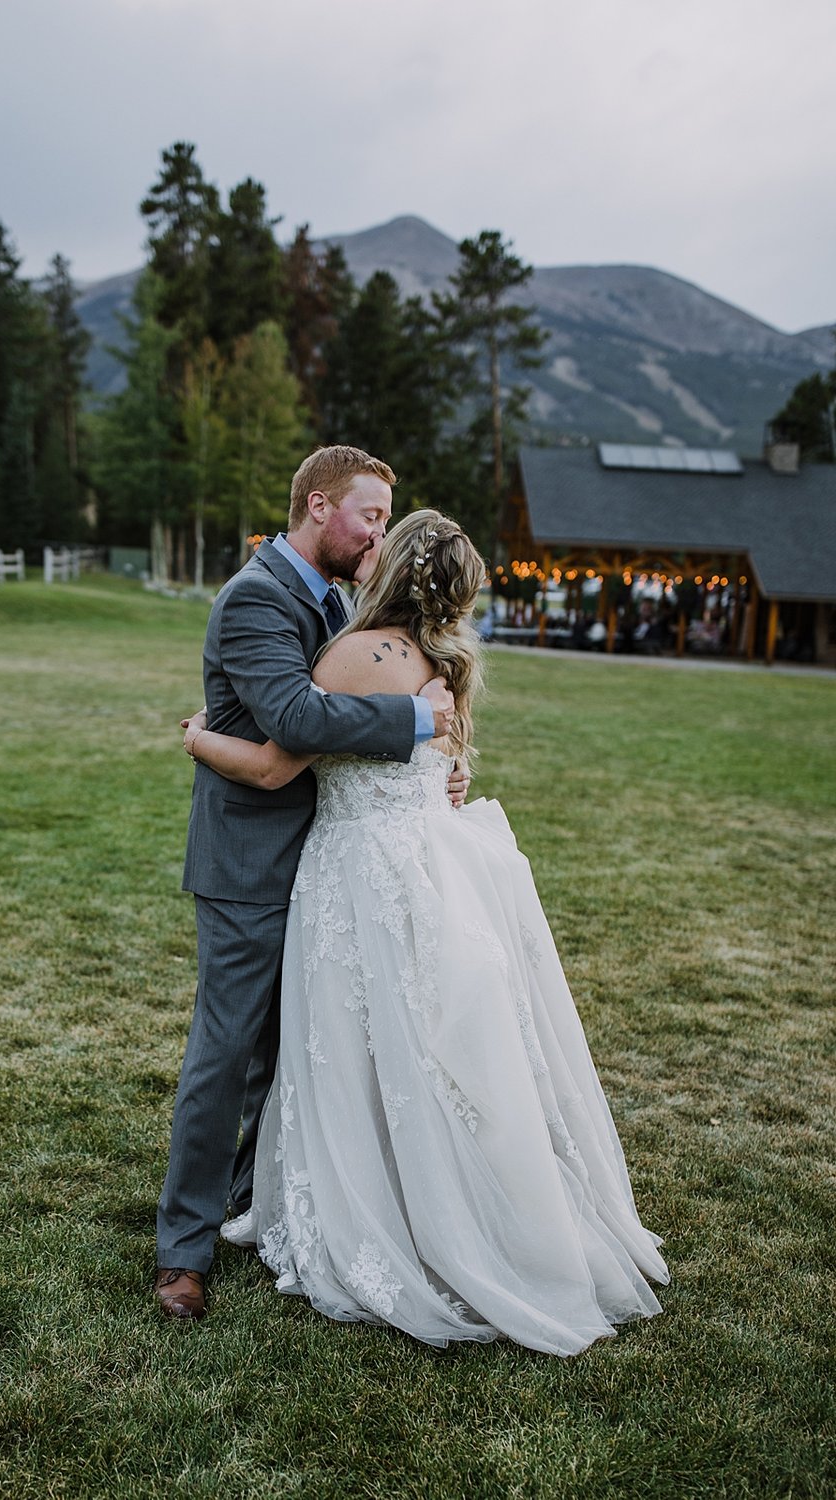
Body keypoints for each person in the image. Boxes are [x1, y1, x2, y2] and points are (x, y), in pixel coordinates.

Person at [183, 509, 670, 1354]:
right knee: (417, 1053)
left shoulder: (350, 653)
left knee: (349, 1047)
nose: (367, 542)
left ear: (393, 567)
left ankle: (378, 1215)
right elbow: (439, 761)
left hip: (354, 874)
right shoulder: (440, 666)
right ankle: (446, 1207)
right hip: (426, 868)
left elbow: (272, 759)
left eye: (380, 532)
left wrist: (197, 735)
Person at [154, 446, 466, 1322]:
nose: (377, 533)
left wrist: (435, 765)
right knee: (225, 1055)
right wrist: (415, 721)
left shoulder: (336, 600)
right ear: (318, 504)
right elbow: (293, 718)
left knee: (297, 1053)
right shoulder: (256, 597)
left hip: (331, 861)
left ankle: (261, 1205)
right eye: (368, 515)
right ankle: (183, 1249)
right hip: (252, 865)